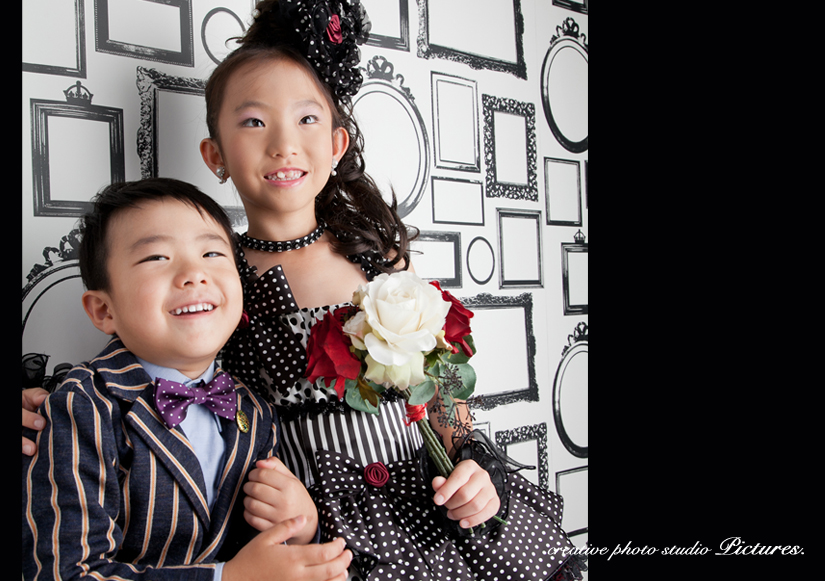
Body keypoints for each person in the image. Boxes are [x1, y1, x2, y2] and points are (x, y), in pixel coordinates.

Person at [23, 2, 587, 579]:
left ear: (337, 144)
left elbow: (436, 377)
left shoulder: (375, 255)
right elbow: (161, 358)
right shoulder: (220, 277)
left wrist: (471, 459)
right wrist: (53, 401)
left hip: (431, 493)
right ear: (215, 156)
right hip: (322, 516)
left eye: (307, 119)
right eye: (253, 122)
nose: (283, 144)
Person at [22, 178, 352, 581]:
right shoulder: (85, 406)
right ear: (104, 310)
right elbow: (66, 572)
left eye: (212, 253)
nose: (194, 273)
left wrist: (300, 526)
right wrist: (225, 578)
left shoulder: (254, 410)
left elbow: (262, 557)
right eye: (156, 257)